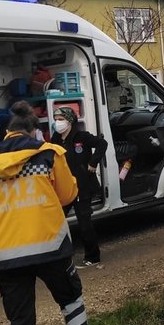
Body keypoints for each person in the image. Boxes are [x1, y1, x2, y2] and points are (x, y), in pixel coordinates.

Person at [0, 101, 95, 325]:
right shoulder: (49, 153)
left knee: (21, 324)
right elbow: (67, 194)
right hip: (50, 247)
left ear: (7, 131)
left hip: (5, 257)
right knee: (71, 303)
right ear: (33, 131)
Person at [51, 106, 108, 268]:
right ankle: (59, 257)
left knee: (84, 223)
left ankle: (93, 256)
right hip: (64, 188)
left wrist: (93, 162)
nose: (58, 123)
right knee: (56, 222)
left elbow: (102, 144)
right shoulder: (55, 139)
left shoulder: (81, 137)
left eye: (61, 119)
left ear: (69, 121)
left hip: (83, 186)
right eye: (56, 119)